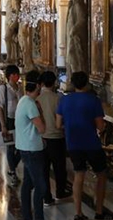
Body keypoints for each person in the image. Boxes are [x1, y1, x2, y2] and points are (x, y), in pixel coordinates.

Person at [56, 72, 113, 220]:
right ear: (87, 83)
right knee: (101, 175)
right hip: (92, 144)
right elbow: (100, 126)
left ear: (73, 84)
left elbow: (58, 124)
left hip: (73, 143)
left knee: (78, 175)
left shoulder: (64, 100)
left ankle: (78, 213)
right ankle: (99, 211)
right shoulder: (93, 100)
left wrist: (69, 127)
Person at [15, 70, 47, 220]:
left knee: (28, 184)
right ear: (38, 87)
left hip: (24, 147)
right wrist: (40, 111)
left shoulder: (23, 100)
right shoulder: (31, 104)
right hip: (32, 149)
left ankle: (27, 215)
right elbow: (42, 128)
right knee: (41, 186)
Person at [38, 71, 69, 205]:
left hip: (42, 137)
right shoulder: (58, 98)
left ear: (42, 83)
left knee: (44, 169)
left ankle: (46, 196)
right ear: (54, 83)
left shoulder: (37, 99)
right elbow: (62, 118)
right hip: (57, 136)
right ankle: (60, 191)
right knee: (59, 167)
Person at [0, 64, 22, 185]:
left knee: (21, 146)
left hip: (20, 120)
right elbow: (0, 107)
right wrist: (3, 125)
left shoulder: (20, 88)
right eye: (15, 74)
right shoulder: (3, 89)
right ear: (10, 76)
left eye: (18, 74)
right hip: (9, 120)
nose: (17, 77)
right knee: (11, 147)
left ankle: (12, 166)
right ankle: (12, 171)